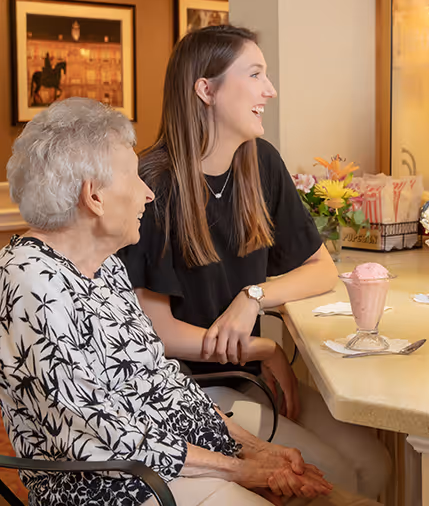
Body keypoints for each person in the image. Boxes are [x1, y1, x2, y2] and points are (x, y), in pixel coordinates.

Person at [0, 97, 377, 506]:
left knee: (338, 498)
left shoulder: (103, 266)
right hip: (115, 488)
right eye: (132, 178)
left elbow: (163, 381)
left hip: (166, 465)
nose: (147, 194)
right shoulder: (28, 278)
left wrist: (257, 451)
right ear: (94, 196)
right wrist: (242, 469)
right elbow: (99, 429)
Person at [118, 25, 391, 498]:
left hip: (246, 378)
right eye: (256, 73)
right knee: (337, 480)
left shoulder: (260, 163)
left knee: (377, 465)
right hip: (191, 395)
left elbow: (322, 269)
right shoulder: (152, 184)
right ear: (206, 89)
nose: (271, 89)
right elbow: (160, 335)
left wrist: (253, 297)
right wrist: (262, 350)